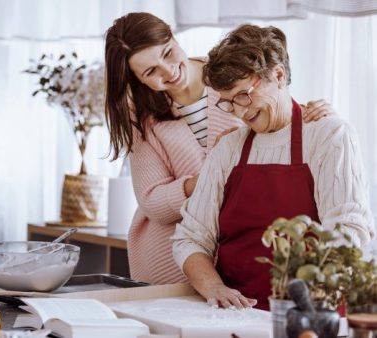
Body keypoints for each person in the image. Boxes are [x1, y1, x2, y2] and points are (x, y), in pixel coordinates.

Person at [104, 12, 334, 285]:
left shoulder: (226, 72)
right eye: (150, 71)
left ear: (174, 36)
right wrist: (210, 178)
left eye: (167, 53)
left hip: (237, 251)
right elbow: (153, 202)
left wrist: (317, 114)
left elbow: (276, 108)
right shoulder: (139, 116)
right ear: (138, 79)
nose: (168, 71)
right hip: (170, 258)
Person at [172, 23, 375, 310]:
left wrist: (305, 303)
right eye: (229, 103)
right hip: (237, 315)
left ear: (278, 75)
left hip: (310, 313)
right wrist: (214, 287)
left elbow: (349, 229)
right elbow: (190, 238)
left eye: (244, 95)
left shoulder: (329, 136)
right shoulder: (228, 148)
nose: (240, 112)